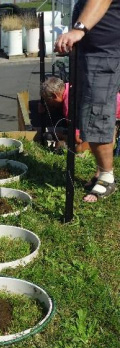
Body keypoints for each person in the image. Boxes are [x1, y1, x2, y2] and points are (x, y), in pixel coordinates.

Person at [55, 0, 120, 202]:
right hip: (91, 52)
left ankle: (108, 178)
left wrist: (79, 30)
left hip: (103, 53)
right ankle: (101, 172)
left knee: (97, 114)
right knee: (89, 115)